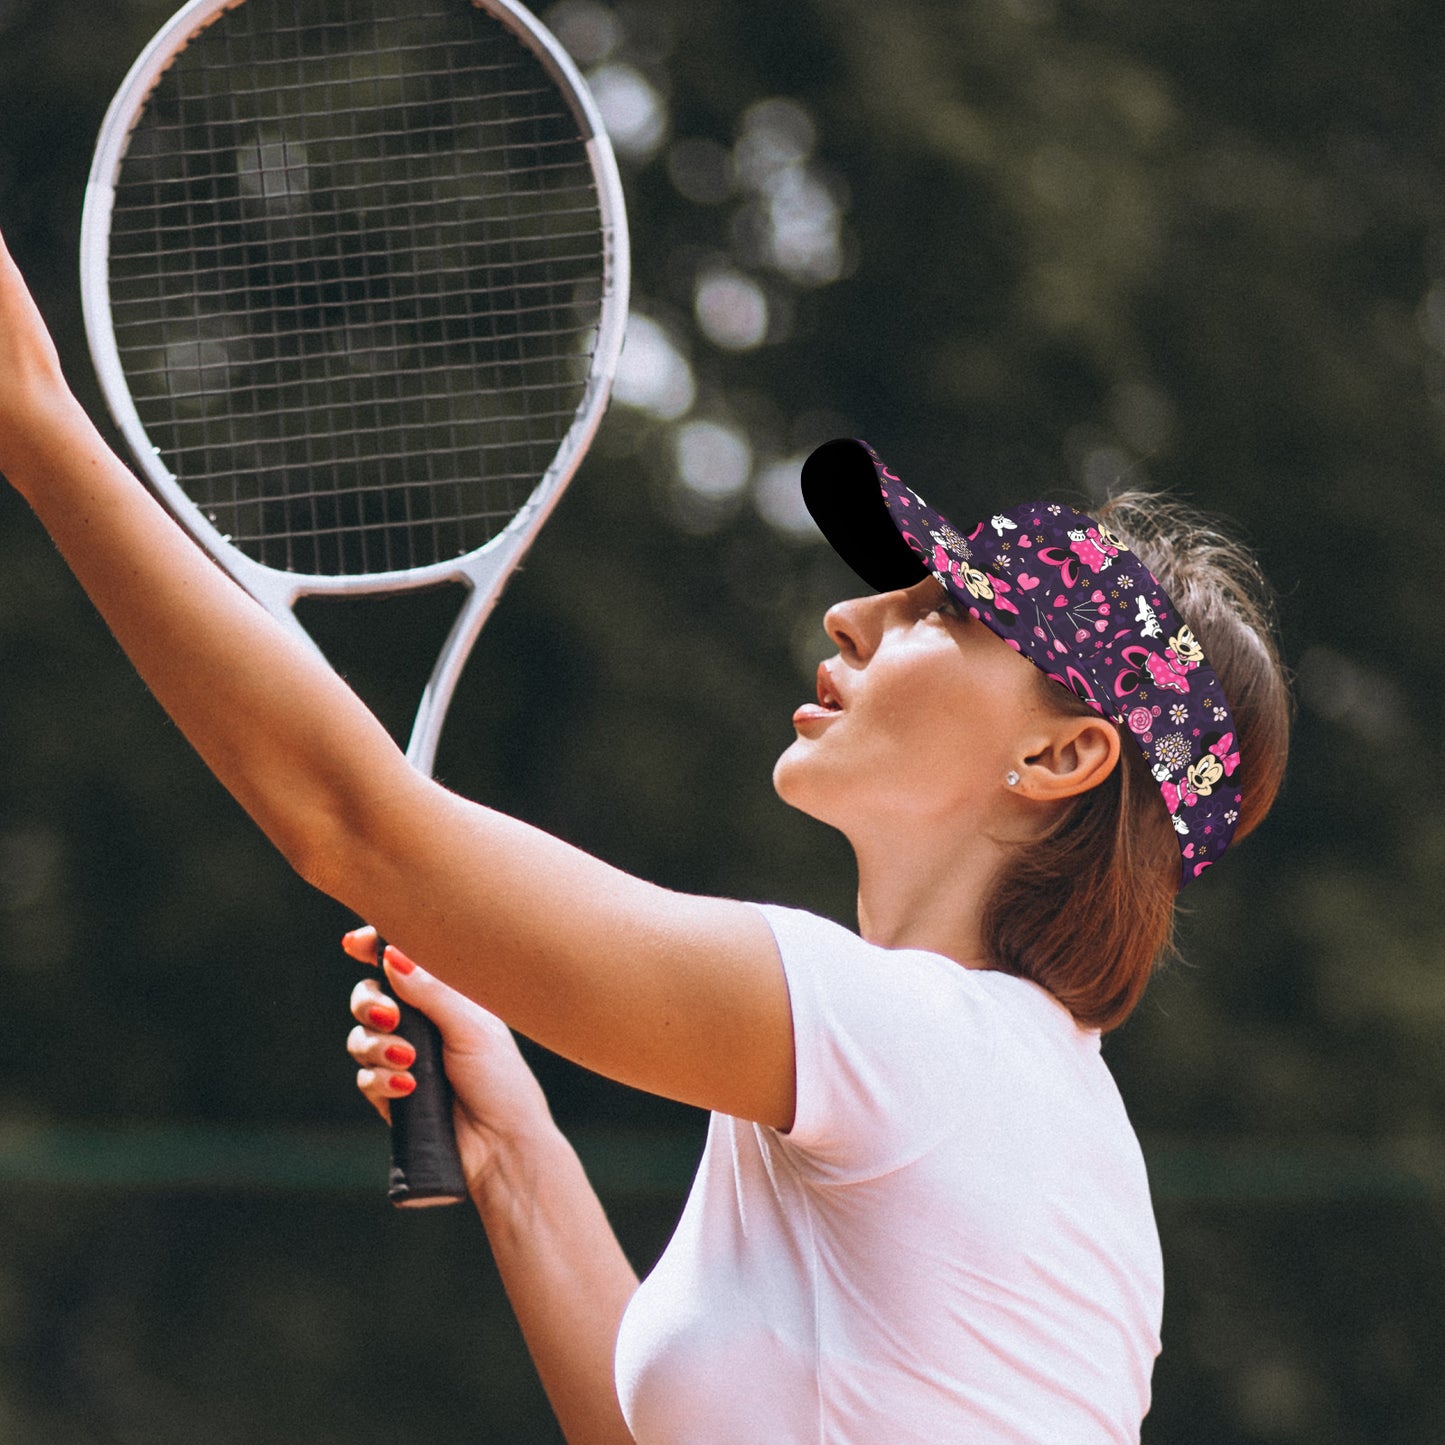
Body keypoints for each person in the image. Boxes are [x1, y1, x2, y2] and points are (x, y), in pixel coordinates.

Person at [0, 225, 1289, 1443]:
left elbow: (349, 822)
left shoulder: (908, 1044)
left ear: (1062, 757)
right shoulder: (990, 1092)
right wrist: (515, 1155)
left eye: (941, 616)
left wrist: (37, 421)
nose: (851, 617)